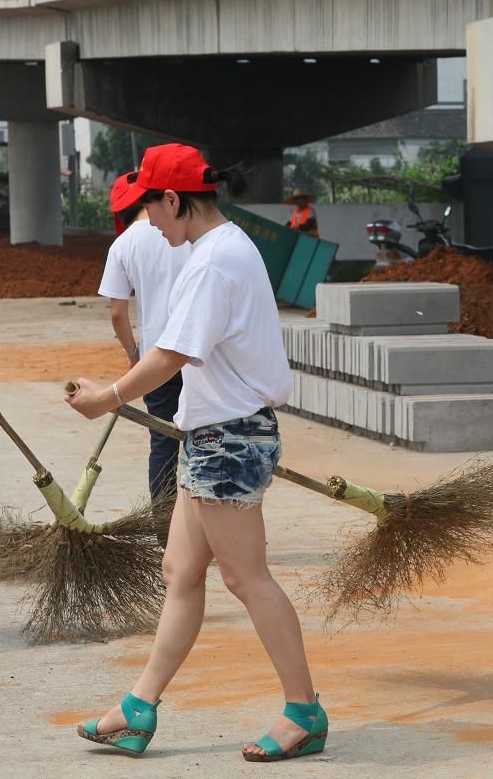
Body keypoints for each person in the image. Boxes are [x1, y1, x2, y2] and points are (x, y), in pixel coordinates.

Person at [67, 143, 326, 762]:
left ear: (174, 200)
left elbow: (170, 355)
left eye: (151, 208)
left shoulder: (213, 261)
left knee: (246, 577)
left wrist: (108, 397)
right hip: (212, 435)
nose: (149, 222)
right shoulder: (223, 248)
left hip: (229, 439)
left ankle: (303, 712)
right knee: (180, 572)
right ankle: (138, 708)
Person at [98, 169, 192, 509]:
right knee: (203, 442)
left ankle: (165, 528)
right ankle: (203, 525)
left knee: (163, 444)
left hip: (156, 360)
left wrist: (134, 356)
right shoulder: (188, 232)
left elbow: (117, 313)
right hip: (197, 355)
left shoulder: (123, 244)